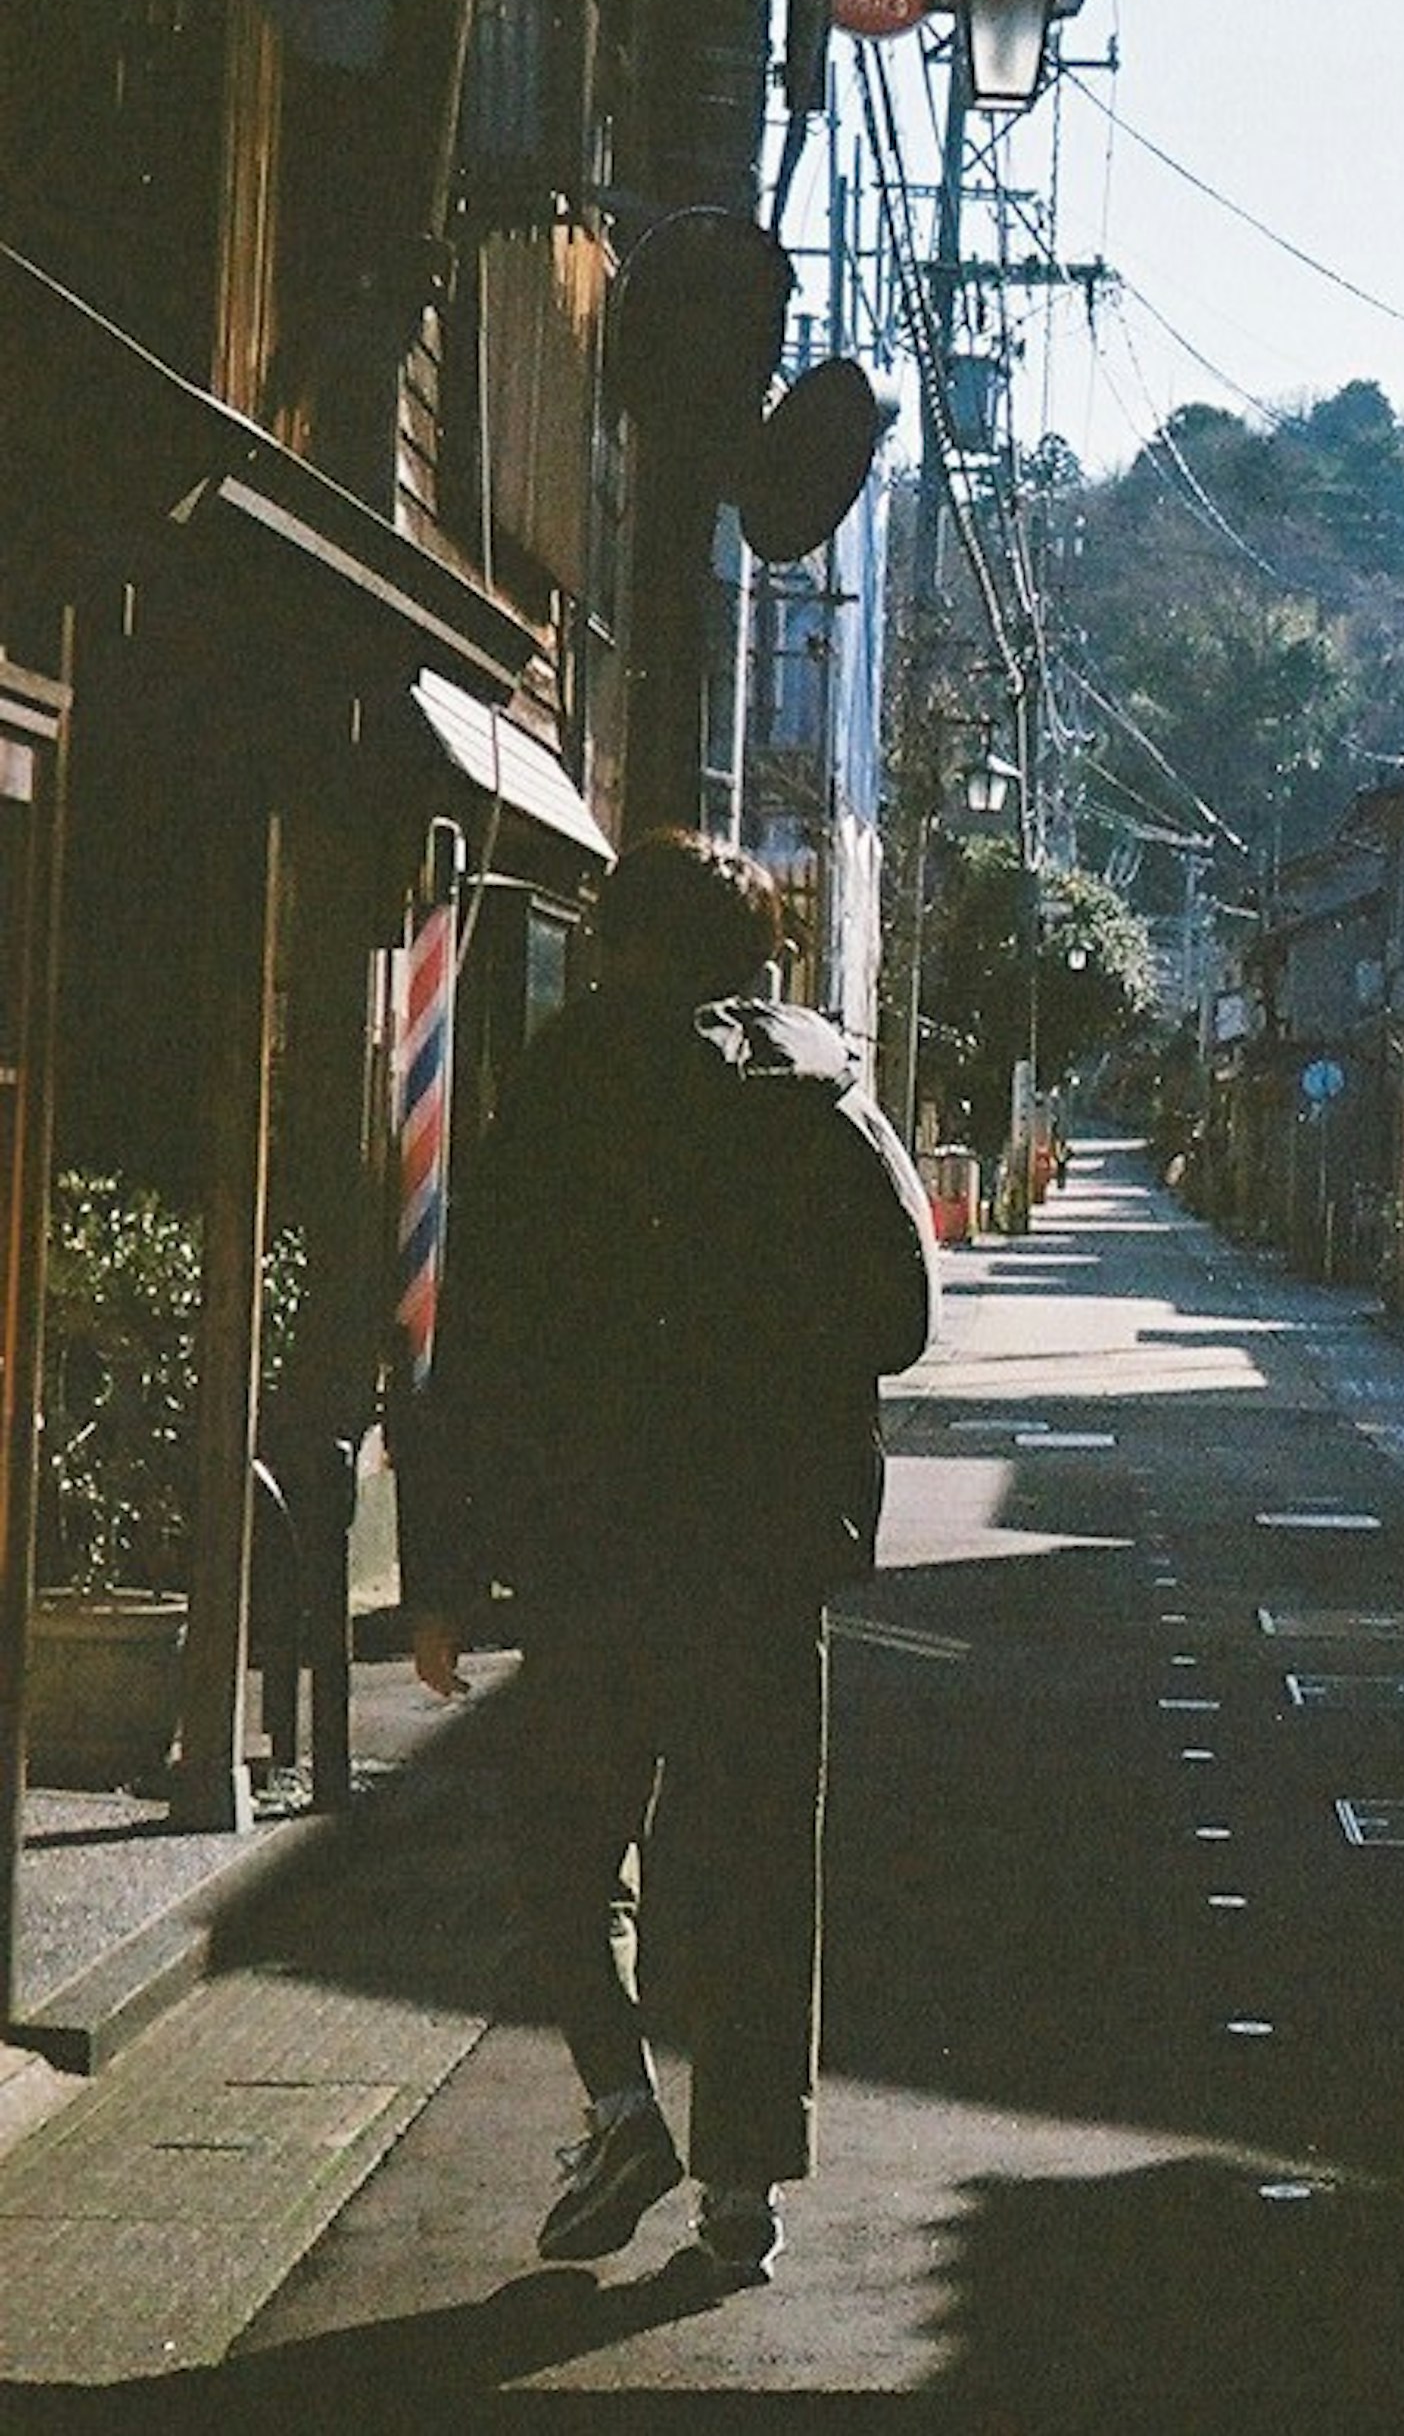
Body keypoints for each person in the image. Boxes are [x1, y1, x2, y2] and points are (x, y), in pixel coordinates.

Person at [393, 829, 934, 2286]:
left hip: (596, 1545)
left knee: (570, 1843)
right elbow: (900, 1318)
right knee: (758, 1866)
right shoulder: (822, 1092)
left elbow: (483, 1337)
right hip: (768, 1553)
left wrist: (440, 1570)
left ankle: (625, 2106)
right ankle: (741, 2198)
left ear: (618, 945)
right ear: (760, 959)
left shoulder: (570, 1085)